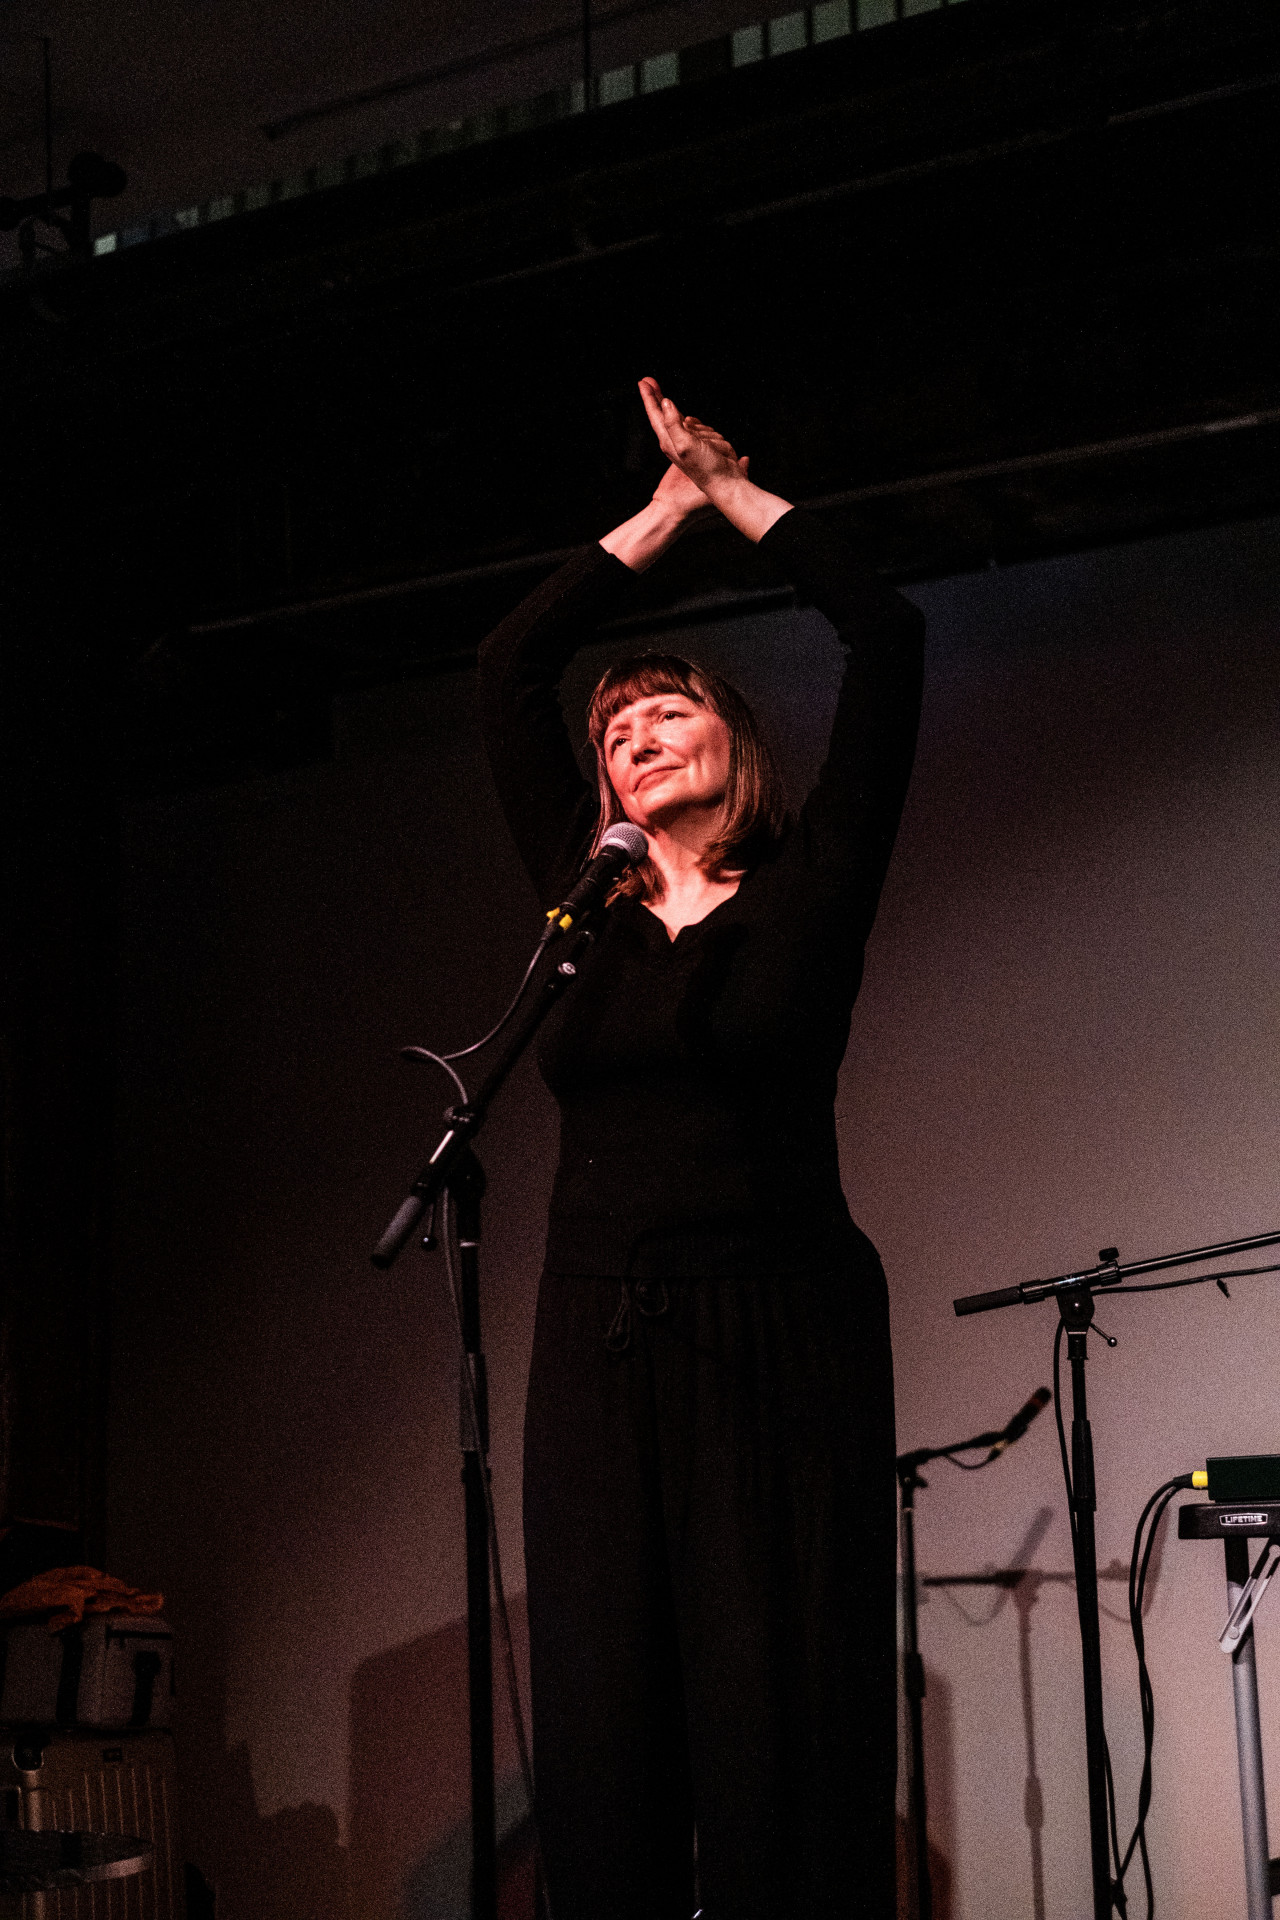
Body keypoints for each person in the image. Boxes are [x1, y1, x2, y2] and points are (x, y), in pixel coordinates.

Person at [477, 377, 925, 1920]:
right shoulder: (585, 903)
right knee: (606, 1711)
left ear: (737, 744)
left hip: (779, 1334)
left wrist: (731, 498)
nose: (635, 733)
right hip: (600, 1337)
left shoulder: (813, 883)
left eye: (670, 709)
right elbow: (509, 667)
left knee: (775, 1709)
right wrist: (651, 520)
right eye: (617, 727)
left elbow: (888, 637)